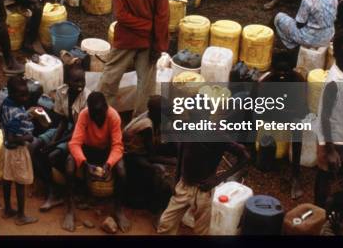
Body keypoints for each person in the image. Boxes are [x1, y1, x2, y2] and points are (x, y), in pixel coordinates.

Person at [98, 0, 169, 117]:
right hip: (149, 42)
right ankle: (140, 122)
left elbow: (121, 16)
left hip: (126, 39)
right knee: (146, 85)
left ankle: (99, 113)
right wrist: (158, 44)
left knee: (110, 78)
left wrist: (145, 27)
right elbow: (163, 17)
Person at [157, 136, 249, 235]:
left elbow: (245, 157)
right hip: (183, 186)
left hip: (204, 192)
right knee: (166, 223)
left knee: (201, 230)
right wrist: (176, 180)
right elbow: (181, 155)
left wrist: (218, 179)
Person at [64, 92, 128, 233]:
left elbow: (118, 146)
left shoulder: (113, 116)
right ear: (89, 110)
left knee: (122, 170)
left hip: (105, 151)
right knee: (69, 165)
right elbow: (74, 143)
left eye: (100, 113)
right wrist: (85, 164)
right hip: (88, 150)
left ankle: (118, 209)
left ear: (106, 108)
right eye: (94, 114)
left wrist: (109, 164)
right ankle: (70, 209)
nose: (98, 117)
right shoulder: (84, 115)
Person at [32, 64, 90, 212]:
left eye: (82, 80)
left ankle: (56, 192)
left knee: (52, 155)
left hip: (79, 134)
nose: (81, 85)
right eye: (76, 81)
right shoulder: (61, 92)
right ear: (67, 82)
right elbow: (63, 121)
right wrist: (52, 140)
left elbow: (78, 132)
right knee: (33, 146)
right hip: (66, 128)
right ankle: (52, 187)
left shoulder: (87, 98)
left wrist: (54, 144)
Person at [314, 36, 343, 208]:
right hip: (332, 138)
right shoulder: (333, 81)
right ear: (336, 56)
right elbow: (325, 117)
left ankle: (326, 206)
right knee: (324, 174)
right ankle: (318, 208)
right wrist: (330, 150)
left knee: (333, 172)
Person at [258, 52, 308, 199]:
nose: (282, 75)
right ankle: (249, 157)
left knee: (298, 127)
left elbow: (301, 107)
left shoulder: (298, 81)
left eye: (286, 71)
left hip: (291, 114)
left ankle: (296, 176)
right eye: (279, 71)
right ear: (273, 69)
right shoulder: (267, 80)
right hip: (271, 113)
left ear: (291, 69)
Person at [123, 96, 177, 227]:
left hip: (144, 149)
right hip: (132, 155)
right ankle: (157, 211)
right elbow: (151, 156)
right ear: (156, 113)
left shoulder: (152, 116)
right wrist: (173, 161)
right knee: (159, 171)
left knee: (175, 145)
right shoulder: (146, 125)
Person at [0, 76, 38, 225]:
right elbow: (11, 138)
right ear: (12, 94)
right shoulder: (17, 114)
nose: (26, 97)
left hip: (7, 152)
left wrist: (27, 114)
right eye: (22, 95)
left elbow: (5, 120)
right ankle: (21, 215)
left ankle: (8, 209)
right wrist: (27, 137)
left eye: (27, 94)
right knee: (20, 183)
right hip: (17, 151)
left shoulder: (7, 104)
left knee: (7, 179)